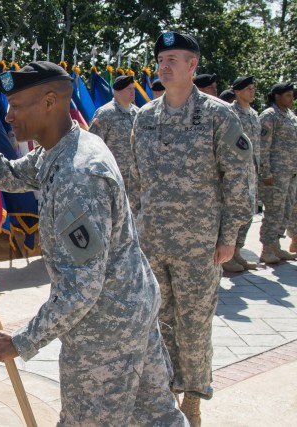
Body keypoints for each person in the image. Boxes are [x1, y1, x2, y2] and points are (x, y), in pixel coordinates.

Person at [0, 61, 187, 426]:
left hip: (104, 333)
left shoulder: (78, 174)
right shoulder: (61, 150)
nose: (9, 116)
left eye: (17, 105)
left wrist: (23, 340)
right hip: (129, 311)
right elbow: (8, 173)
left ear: (49, 102)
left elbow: (82, 289)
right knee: (158, 418)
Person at [129, 32, 253, 426]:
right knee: (157, 321)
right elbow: (135, 181)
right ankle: (163, 393)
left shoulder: (218, 115)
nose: (164, 66)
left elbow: (238, 177)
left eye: (173, 59)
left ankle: (194, 399)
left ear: (192, 66)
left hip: (200, 245)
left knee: (195, 324)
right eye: (161, 59)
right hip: (152, 242)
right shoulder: (145, 118)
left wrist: (229, 236)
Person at [222, 76, 261, 271]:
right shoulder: (229, 113)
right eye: (248, 89)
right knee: (234, 210)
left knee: (248, 212)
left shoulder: (254, 115)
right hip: (236, 171)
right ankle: (227, 254)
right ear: (237, 92)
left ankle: (237, 252)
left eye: (253, 88)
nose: (252, 92)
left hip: (252, 172)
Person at [258, 82, 297, 262]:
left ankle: (276, 246)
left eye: (292, 94)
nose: (291, 98)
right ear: (277, 96)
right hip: (275, 174)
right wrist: (266, 173)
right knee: (274, 211)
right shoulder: (269, 116)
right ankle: (267, 248)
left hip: (290, 173)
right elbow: (262, 147)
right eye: (287, 95)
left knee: (286, 210)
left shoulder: (290, 116)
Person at [88, 74, 139, 180]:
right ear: (118, 91)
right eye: (129, 89)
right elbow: (94, 146)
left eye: (133, 88)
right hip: (113, 176)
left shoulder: (138, 113)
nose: (133, 92)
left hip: (135, 178)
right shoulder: (105, 113)